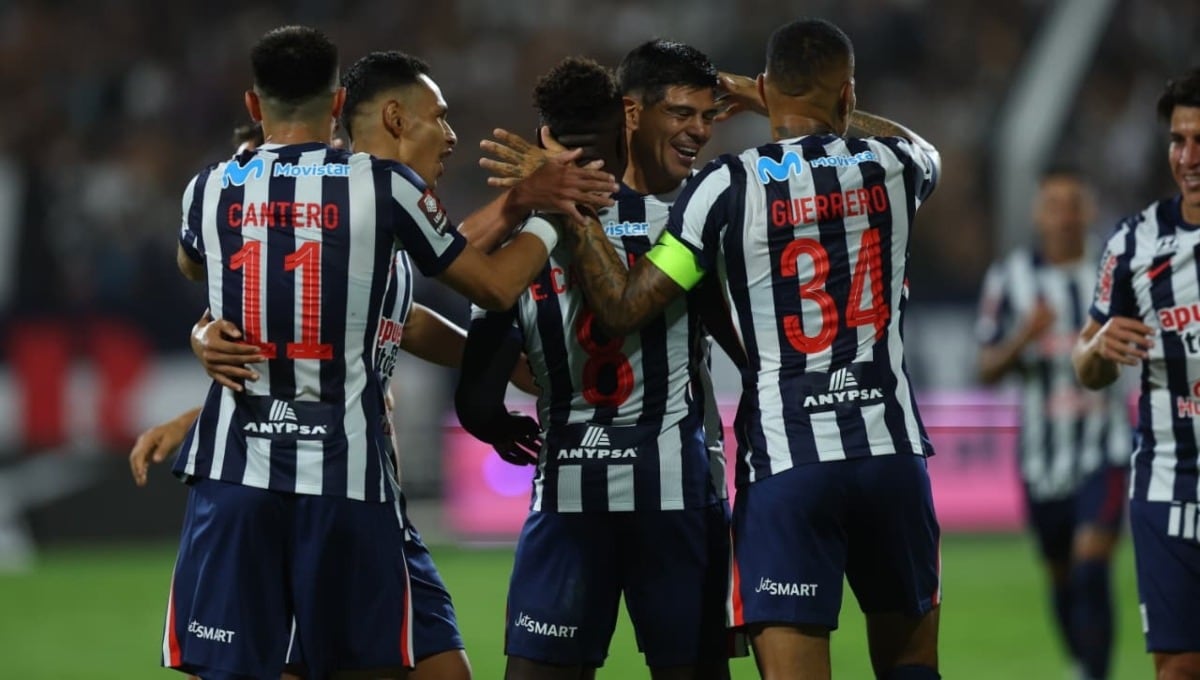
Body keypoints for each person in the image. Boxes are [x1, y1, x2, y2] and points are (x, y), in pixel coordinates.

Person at [164, 26, 607, 679]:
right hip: (341, 483)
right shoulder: (379, 189)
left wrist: (206, 329)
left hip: (249, 482)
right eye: (441, 118)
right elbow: (484, 279)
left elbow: (200, 267)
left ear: (255, 107)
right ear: (339, 102)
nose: (451, 134)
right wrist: (544, 207)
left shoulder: (209, 187)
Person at [550, 18, 943, 680]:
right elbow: (919, 144)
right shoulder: (896, 165)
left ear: (764, 86)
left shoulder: (724, 185)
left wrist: (571, 209)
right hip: (892, 458)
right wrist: (784, 101)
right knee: (911, 668)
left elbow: (623, 305)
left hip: (791, 467)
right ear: (847, 95)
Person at [456, 46, 746, 680]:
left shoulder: (513, 247)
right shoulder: (683, 221)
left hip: (567, 496)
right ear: (625, 129)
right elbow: (744, 345)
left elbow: (477, 401)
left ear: (542, 141)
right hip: (674, 498)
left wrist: (506, 426)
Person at [975, 167, 1130, 680]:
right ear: (1039, 214)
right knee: (1064, 576)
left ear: (1089, 211)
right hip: (1042, 458)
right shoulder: (1010, 278)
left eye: (1074, 204)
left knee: (1090, 565)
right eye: (1054, 205)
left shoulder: (1116, 273)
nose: (1065, 216)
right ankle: (1081, 662)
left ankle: (1092, 673)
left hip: (1104, 448)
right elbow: (986, 372)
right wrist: (1025, 335)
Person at [1072, 67, 1200, 680]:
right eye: (1179, 140)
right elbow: (1083, 362)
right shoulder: (1133, 244)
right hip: (1168, 483)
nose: (1189, 157)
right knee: (1177, 667)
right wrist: (1099, 347)